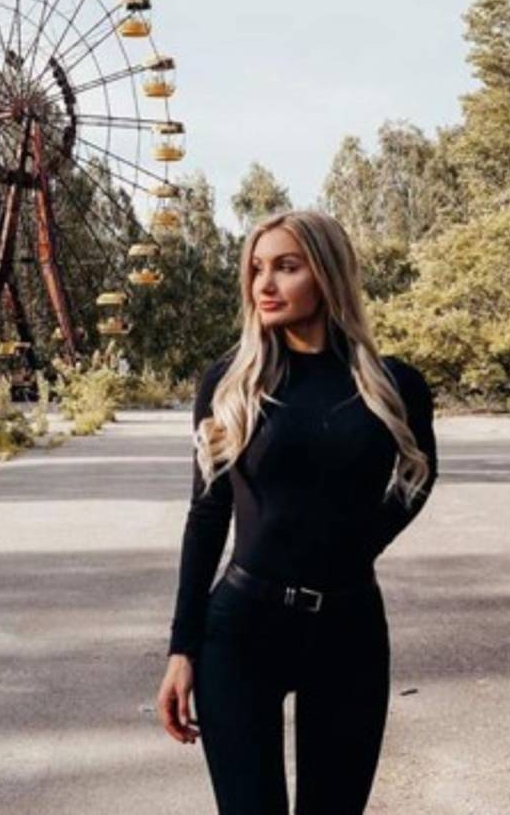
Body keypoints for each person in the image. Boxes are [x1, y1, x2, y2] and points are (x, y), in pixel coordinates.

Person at [156, 210, 439, 814]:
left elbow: (420, 476)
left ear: (328, 274)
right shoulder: (232, 383)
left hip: (348, 631)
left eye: (286, 267)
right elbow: (206, 516)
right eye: (257, 268)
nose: (265, 284)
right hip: (241, 630)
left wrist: (358, 542)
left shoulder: (394, 385)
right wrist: (182, 648)